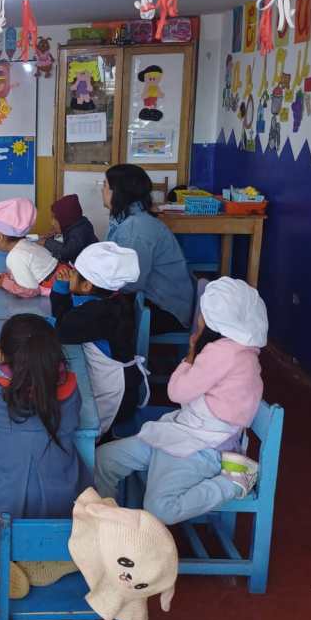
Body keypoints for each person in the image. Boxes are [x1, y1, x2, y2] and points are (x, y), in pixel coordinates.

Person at [94, 278, 267, 526]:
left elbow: (176, 392)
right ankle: (115, 525)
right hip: (186, 435)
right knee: (106, 460)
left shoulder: (222, 353)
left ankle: (231, 483)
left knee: (158, 507)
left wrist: (191, 353)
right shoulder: (244, 352)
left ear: (213, 320)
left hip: (202, 447)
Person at [0, 314, 92, 596]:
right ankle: (44, 558)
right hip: (60, 512)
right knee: (78, 473)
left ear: (4, 355)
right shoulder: (70, 391)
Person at [51, 242, 145, 437]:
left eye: (74, 272)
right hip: (121, 383)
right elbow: (68, 319)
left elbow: (62, 330)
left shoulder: (98, 313)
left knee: (74, 424)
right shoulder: (108, 301)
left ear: (87, 286)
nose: (69, 273)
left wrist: (60, 289)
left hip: (116, 397)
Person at [103, 164, 194, 332]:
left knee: (98, 316)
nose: (102, 191)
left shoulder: (136, 229)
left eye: (105, 185)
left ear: (118, 192)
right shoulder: (128, 219)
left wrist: (96, 286)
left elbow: (131, 281)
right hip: (151, 298)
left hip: (165, 309)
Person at [0, 197, 59, 297]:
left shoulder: (14, 257)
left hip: (58, 289)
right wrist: (9, 277)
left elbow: (30, 291)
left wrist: (5, 283)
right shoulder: (29, 243)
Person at [43, 194, 98, 264]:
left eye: (55, 219)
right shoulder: (77, 225)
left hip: (89, 268)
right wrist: (54, 236)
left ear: (65, 219)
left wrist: (46, 242)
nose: (52, 223)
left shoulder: (79, 232)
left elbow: (66, 252)